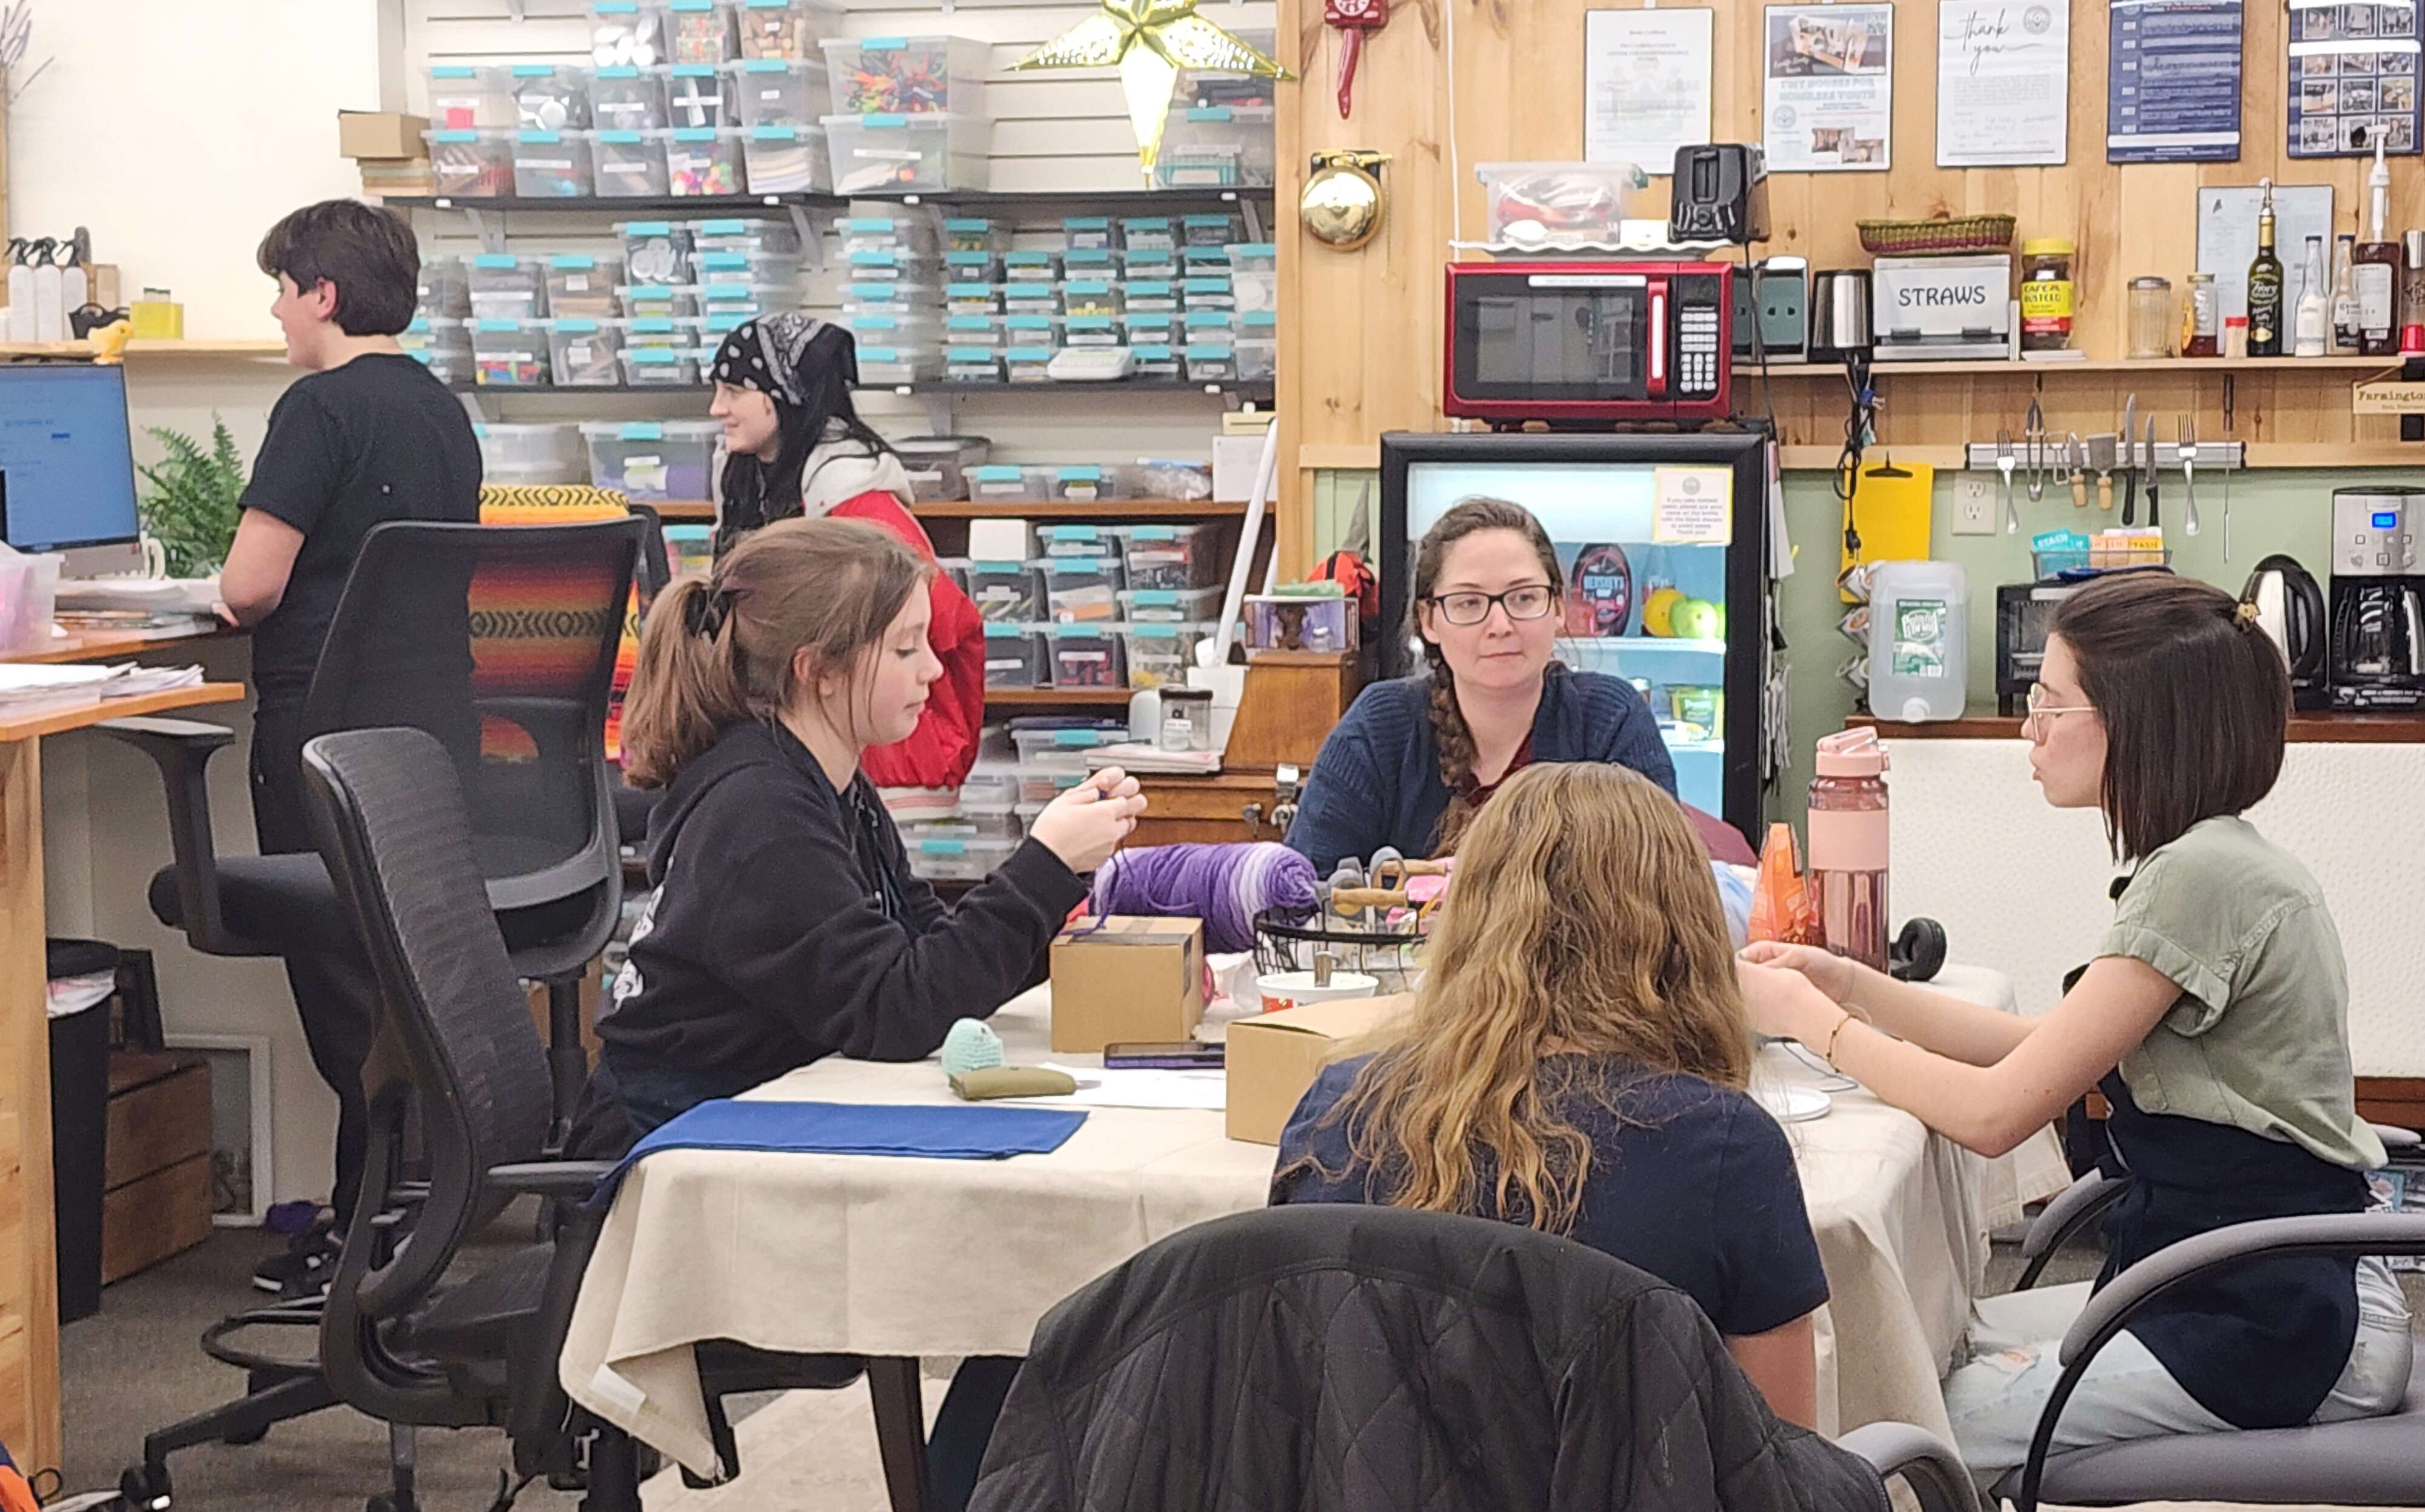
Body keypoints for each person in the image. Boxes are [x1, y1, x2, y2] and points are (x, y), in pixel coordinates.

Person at [1739, 572, 2412, 1479]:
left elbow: (1992, 1115)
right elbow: (2044, 1049)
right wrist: (1847, 983)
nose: (2031, 728)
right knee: (1923, 1341)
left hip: (2277, 1317)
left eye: (2052, 704)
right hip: (2244, 1277)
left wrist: (1816, 1022)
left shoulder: (2201, 877)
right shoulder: (2213, 860)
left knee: (1889, 1413)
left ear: (2138, 722)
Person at [567, 516, 1143, 1512]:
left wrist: (1058, 895)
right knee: (1062, 1276)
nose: (933, 669)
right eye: (908, 646)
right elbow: (898, 1006)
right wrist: (1045, 864)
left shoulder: (823, 777)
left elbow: (917, 952)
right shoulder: (759, 806)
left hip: (753, 1125)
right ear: (820, 669)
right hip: (683, 1164)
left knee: (1063, 1272)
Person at [1272, 761, 1828, 1429]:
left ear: (1468, 924)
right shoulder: (1727, 1149)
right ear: (1687, 940)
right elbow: (1783, 1468)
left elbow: (1291, 1417)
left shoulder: (1337, 1114)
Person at [217, 199, 484, 1296]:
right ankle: (398, 1221)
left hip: (325, 748)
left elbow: (247, 587)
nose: (278, 309)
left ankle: (362, 1228)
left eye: (283, 288)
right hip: (432, 752)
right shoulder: (441, 410)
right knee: (401, 990)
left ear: (324, 296)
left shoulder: (317, 409)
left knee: (343, 992)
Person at [1284, 496, 1715, 874]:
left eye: (1524, 597)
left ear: (1559, 608)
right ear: (1429, 621)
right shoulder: (1380, 727)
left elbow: (1667, 889)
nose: (1500, 625)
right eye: (1469, 602)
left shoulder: (1612, 721)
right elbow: (1305, 889)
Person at [704, 312, 983, 808]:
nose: (716, 408)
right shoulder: (751, 486)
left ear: (781, 396)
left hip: (874, 767)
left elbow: (943, 623)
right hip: (801, 748)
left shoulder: (859, 505)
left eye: (733, 390)